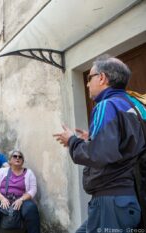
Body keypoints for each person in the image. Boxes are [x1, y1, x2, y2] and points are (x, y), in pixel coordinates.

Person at [53, 55, 145, 232]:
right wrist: (92, 138)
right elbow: (129, 144)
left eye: (89, 78)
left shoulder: (106, 105)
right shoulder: (135, 105)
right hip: (128, 199)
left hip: (111, 202)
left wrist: (71, 140)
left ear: (102, 78)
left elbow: (98, 155)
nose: (87, 84)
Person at [0, 150, 40, 233]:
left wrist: (21, 199)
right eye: (15, 156)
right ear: (9, 160)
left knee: (31, 208)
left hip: (22, 199)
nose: (17, 158)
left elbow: (33, 189)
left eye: (20, 157)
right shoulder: (2, 171)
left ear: (22, 161)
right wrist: (2, 199)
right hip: (3, 198)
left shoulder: (29, 173)